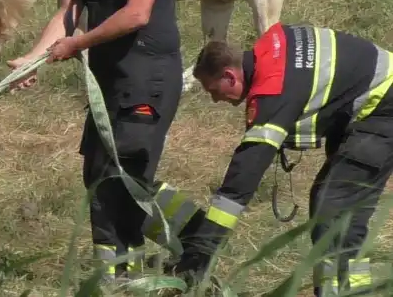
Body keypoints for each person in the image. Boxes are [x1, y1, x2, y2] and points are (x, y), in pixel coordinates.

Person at [6, 0, 184, 283]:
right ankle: (115, 275)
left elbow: (137, 13)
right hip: (108, 82)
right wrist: (32, 58)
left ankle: (194, 241)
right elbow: (69, 13)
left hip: (147, 76)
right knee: (98, 174)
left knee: (129, 175)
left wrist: (77, 46)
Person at [168, 23, 393, 296]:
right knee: (342, 208)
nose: (216, 100)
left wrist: (202, 251)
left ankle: (341, 291)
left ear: (229, 76)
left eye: (213, 90)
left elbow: (243, 177)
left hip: (382, 109)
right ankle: (351, 289)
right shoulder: (270, 49)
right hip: (370, 104)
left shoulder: (272, 88)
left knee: (334, 205)